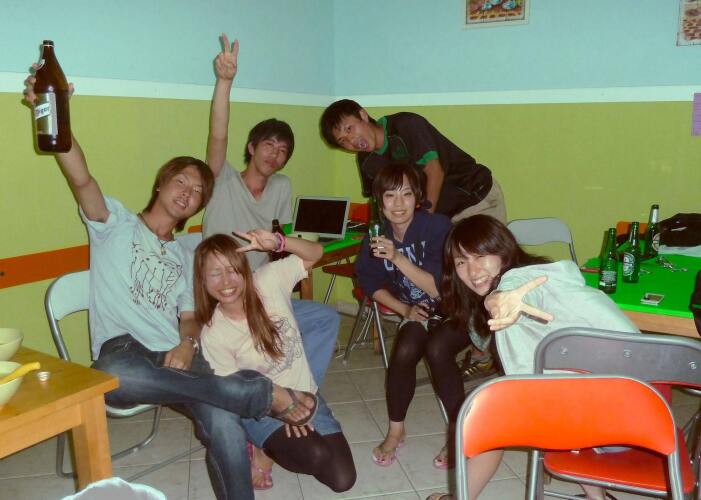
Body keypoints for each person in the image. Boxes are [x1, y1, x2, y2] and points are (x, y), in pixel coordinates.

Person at [24, 70, 319, 500]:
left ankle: (241, 407)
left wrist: (186, 343)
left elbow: (189, 316)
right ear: (161, 183)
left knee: (224, 422)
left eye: (197, 191)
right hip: (125, 353)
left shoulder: (185, 256)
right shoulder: (114, 223)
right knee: (111, 375)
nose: (187, 192)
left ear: (199, 206)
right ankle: (258, 393)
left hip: (176, 354)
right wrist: (56, 113)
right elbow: (81, 178)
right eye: (181, 181)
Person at [202, 34, 342, 488]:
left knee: (324, 317)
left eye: (283, 150)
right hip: (222, 294)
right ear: (251, 147)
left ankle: (296, 392)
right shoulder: (221, 179)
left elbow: (280, 246)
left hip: (259, 291)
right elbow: (217, 134)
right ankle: (261, 413)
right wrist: (225, 82)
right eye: (268, 145)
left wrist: (282, 249)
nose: (275, 154)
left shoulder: (281, 187)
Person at [427, 214, 640, 500]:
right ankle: (596, 497)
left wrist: (501, 300)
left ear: (502, 253)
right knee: (538, 397)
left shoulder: (522, 281)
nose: (472, 270)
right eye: (461, 262)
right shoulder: (545, 274)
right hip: (641, 411)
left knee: (483, 415)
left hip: (612, 426)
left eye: (480, 256)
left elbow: (517, 292)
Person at [320, 99, 505, 381]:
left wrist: (422, 225)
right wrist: (378, 234)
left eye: (350, 129)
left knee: (486, 279)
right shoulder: (367, 161)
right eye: (342, 141)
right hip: (443, 215)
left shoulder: (405, 125)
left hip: (475, 199)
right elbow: (379, 201)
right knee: (455, 281)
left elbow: (434, 171)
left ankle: (494, 355)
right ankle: (475, 349)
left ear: (363, 115)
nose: (351, 141)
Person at [194, 230, 356, 493]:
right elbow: (234, 395)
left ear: (244, 268)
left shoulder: (268, 280)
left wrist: (281, 242)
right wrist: (282, 409)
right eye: (215, 273)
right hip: (262, 410)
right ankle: (262, 449)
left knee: (343, 480)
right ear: (202, 279)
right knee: (315, 455)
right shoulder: (214, 334)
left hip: (306, 395)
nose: (226, 281)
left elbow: (316, 253)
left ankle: (288, 435)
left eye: (232, 269)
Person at [354, 163, 452, 468]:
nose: (398, 203)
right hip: (419, 310)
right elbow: (369, 283)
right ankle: (396, 431)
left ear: (418, 197)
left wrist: (396, 257)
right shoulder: (376, 237)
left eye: (407, 194)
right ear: (379, 201)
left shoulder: (436, 227)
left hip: (454, 308)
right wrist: (404, 310)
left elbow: (437, 288)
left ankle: (458, 432)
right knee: (405, 349)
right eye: (390, 195)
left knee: (438, 351)